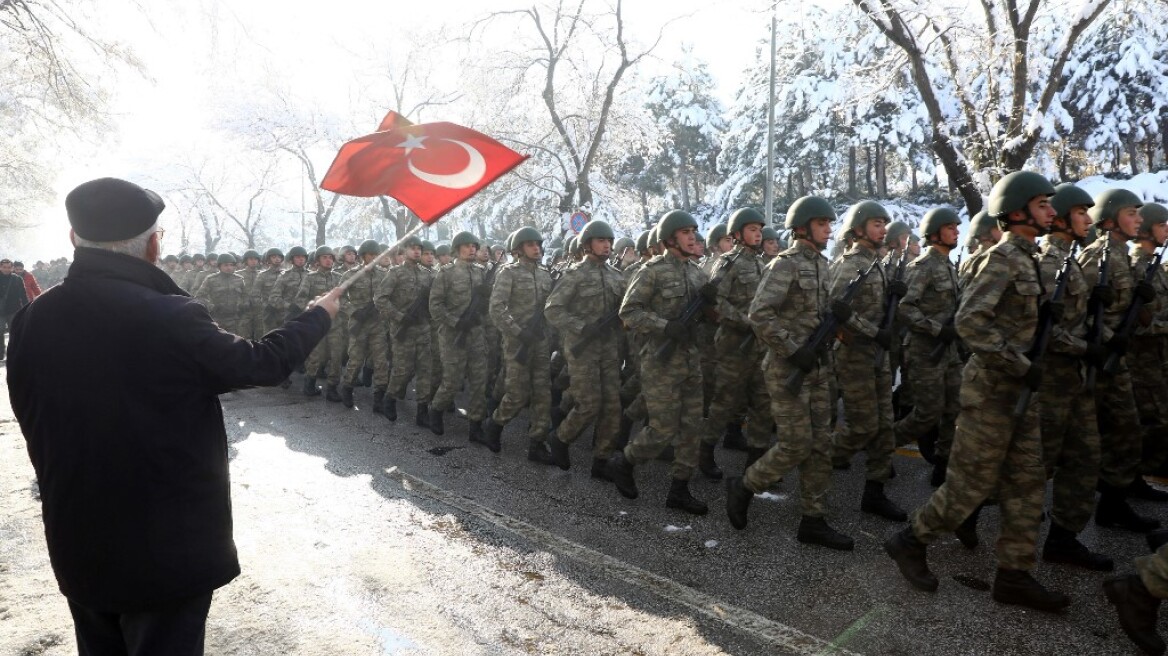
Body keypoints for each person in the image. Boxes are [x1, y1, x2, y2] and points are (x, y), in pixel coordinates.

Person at [8, 177, 338, 656]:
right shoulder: (168, 316)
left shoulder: (33, 319)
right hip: (163, 552)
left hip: (78, 539)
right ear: (154, 245)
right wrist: (318, 315)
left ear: (75, 240)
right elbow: (261, 364)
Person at [884, 171, 1070, 612]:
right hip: (991, 395)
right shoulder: (1002, 258)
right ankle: (910, 539)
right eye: (1043, 205)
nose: (1051, 212)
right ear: (1019, 211)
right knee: (969, 487)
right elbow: (970, 322)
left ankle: (1014, 575)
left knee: (1026, 485)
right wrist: (1019, 363)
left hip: (1019, 394)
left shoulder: (1029, 260)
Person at [724, 196, 854, 550]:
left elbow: (819, 317)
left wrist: (840, 317)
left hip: (818, 369)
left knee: (820, 446)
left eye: (830, 224)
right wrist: (793, 350)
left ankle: (813, 520)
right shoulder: (785, 265)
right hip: (786, 369)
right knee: (796, 444)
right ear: (802, 228)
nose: (829, 230)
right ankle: (745, 484)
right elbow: (760, 315)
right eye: (822, 224)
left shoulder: (825, 266)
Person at [608, 210, 710, 516]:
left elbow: (708, 314)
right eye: (685, 232)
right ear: (669, 239)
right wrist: (665, 325)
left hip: (690, 360)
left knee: (692, 427)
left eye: (693, 231)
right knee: (663, 428)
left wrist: (713, 305)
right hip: (660, 361)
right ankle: (623, 462)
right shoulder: (651, 271)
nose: (692, 236)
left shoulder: (696, 272)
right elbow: (629, 312)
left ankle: (679, 490)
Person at [545, 220, 628, 477]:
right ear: (588, 244)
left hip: (610, 350)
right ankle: (560, 438)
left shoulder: (616, 276)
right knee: (589, 403)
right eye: (601, 240)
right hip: (583, 350)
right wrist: (582, 326)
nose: (607, 245)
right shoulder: (575, 275)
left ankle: (601, 461)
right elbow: (553, 310)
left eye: (609, 241)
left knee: (613, 406)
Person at [485, 226, 556, 461]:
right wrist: (517, 331)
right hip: (517, 343)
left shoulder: (546, 274)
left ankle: (537, 442)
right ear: (519, 249)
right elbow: (496, 308)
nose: (536, 248)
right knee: (516, 395)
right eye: (530, 245)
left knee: (543, 394)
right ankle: (494, 426)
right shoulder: (509, 273)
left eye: (538, 244)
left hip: (540, 342)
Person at [0, 258, 30, 361]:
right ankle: (0, 353)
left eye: (9, 267)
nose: (6, 269)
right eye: (4, 267)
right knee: (0, 332)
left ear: (12, 268)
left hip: (14, 310)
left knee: (15, 332)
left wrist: (27, 307)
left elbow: (23, 295)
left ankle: (13, 352)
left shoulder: (17, 279)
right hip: (0, 311)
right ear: (0, 267)